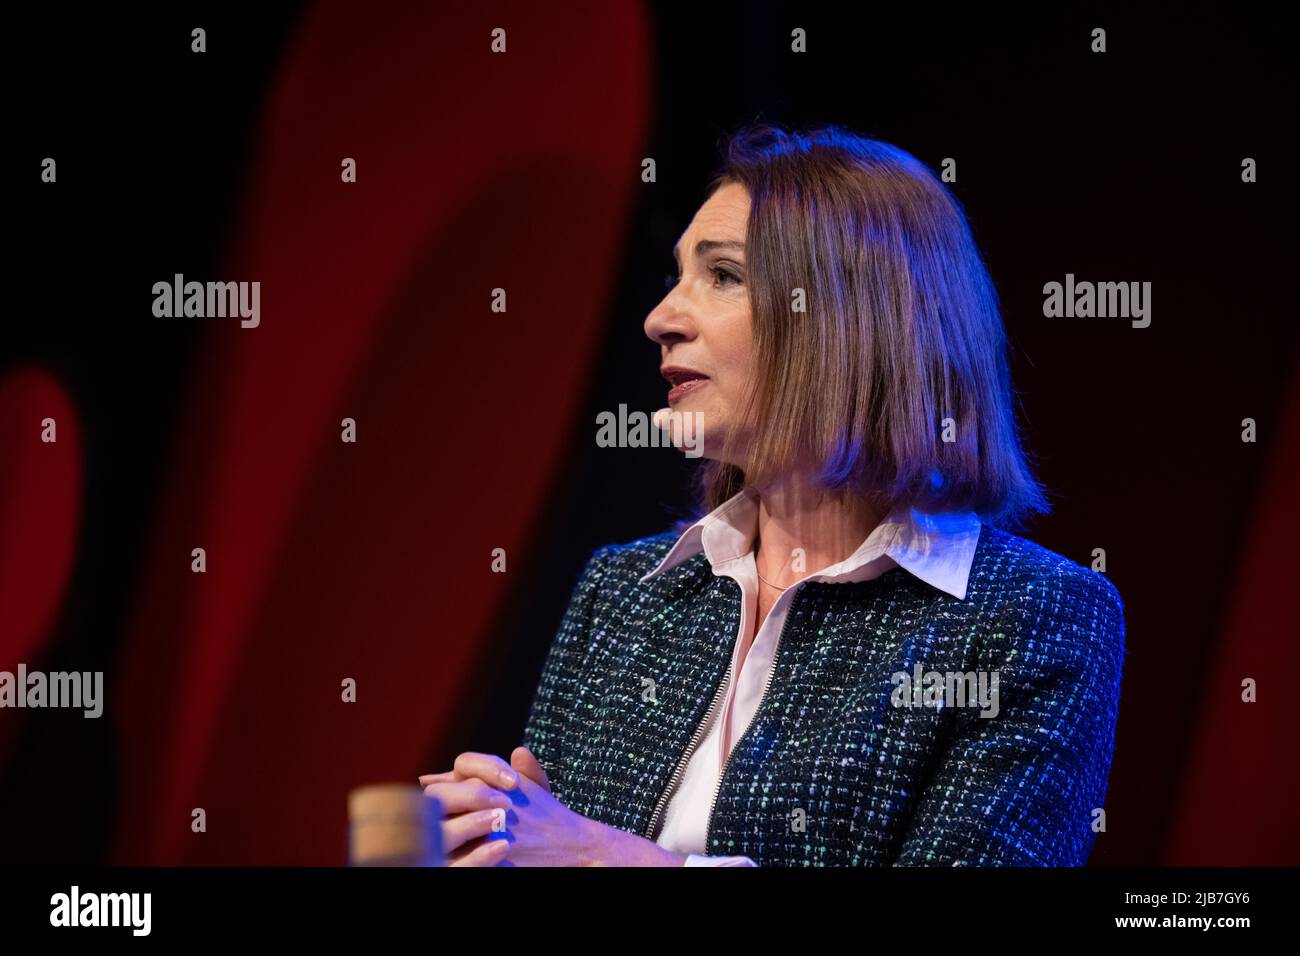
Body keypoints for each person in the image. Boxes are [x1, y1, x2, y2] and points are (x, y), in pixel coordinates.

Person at [419, 123, 1126, 867]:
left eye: (722, 276)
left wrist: (603, 859)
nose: (660, 319)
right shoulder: (625, 590)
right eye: (677, 276)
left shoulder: (1032, 615)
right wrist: (488, 834)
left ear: (850, 318)